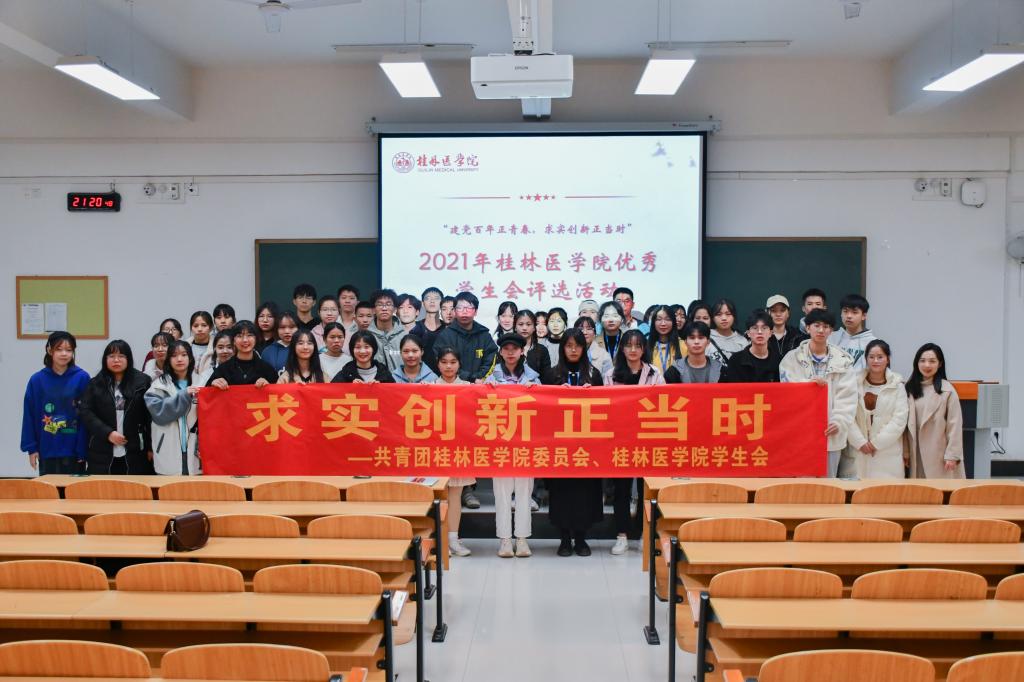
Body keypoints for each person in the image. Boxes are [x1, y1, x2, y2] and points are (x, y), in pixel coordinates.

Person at [542, 329, 604, 557]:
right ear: (562, 348)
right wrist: (557, 396)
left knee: (585, 492)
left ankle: (581, 538)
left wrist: (591, 396)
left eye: (577, 345)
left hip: (587, 444)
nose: (573, 350)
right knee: (562, 492)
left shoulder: (594, 374)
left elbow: (604, 409)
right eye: (569, 346)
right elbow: (542, 409)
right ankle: (564, 538)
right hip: (559, 444)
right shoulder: (551, 375)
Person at [603, 329, 664, 556]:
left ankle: (642, 533)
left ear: (644, 349)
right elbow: (605, 406)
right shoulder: (611, 375)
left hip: (647, 439)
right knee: (621, 491)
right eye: (628, 345)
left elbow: (663, 402)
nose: (633, 350)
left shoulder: (654, 373)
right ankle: (622, 536)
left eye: (638, 345)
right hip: (620, 439)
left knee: (645, 490)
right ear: (622, 348)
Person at [779, 308, 857, 477]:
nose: (821, 330)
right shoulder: (791, 359)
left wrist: (839, 421)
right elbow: (786, 391)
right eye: (817, 325)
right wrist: (809, 385)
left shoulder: (843, 361)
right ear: (808, 328)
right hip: (801, 432)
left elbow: (848, 397)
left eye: (826, 326)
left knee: (828, 484)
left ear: (831, 331)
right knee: (802, 483)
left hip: (831, 434)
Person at [486, 334, 539, 558]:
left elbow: (544, 409)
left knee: (525, 493)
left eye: (514, 348)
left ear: (521, 352)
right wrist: (487, 389)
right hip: (501, 444)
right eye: (506, 348)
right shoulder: (491, 378)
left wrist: (536, 391)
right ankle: (505, 539)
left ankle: (522, 539)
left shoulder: (533, 378)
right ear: (500, 352)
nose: (510, 352)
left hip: (526, 444)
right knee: (502, 493)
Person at [20, 331, 90, 474]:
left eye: (68, 350)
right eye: (59, 349)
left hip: (74, 450)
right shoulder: (37, 380)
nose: (64, 354)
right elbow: (29, 415)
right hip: (47, 447)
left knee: (74, 488)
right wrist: (31, 448)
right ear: (49, 350)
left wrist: (83, 448)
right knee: (49, 488)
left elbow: (87, 415)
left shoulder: (82, 377)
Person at [79, 339, 153, 475]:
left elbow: (149, 417)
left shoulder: (143, 382)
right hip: (102, 449)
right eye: (111, 356)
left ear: (128, 359)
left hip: (135, 449)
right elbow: (86, 412)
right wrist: (108, 433)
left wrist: (150, 447)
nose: (116, 360)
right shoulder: (95, 383)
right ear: (105, 359)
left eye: (121, 356)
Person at [845, 340, 908, 479]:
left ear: (888, 359)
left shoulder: (897, 386)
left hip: (887, 451)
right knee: (858, 489)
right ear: (866, 359)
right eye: (871, 357)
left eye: (880, 357)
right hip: (858, 450)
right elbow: (847, 415)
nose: (875, 361)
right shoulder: (854, 383)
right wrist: (860, 442)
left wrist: (875, 444)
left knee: (885, 490)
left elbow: (899, 420)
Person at [433, 347, 474, 557]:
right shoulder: (428, 387)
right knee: (438, 496)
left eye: (452, 362)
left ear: (459, 364)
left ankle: (453, 539)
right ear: (438, 364)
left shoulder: (468, 388)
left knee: (456, 495)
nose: (448, 366)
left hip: (459, 449)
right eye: (444, 362)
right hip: (434, 450)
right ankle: (438, 540)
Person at [905, 343, 964, 479]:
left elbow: (955, 425)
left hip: (939, 454)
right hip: (915, 453)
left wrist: (952, 455)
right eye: (923, 361)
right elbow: (904, 426)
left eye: (932, 361)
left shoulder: (947, 390)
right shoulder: (909, 388)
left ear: (940, 364)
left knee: (941, 490)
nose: (927, 365)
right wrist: (906, 451)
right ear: (916, 363)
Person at [145, 340, 200, 475]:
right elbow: (159, 414)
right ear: (168, 360)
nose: (179, 359)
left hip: (195, 447)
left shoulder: (202, 382)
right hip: (167, 447)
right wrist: (184, 395)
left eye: (184, 355)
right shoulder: (158, 385)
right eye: (174, 355)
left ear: (190, 358)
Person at [433, 292, 497, 382]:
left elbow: (491, 360)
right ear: (455, 311)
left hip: (480, 384)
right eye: (460, 308)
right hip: (453, 384)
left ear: (476, 311)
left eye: (469, 308)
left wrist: (478, 378)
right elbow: (441, 362)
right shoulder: (445, 336)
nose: (464, 311)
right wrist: (470, 378)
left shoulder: (484, 335)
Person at [207, 321, 278, 388]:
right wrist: (213, 384)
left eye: (249, 335)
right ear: (233, 341)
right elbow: (206, 393)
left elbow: (279, 391)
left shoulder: (267, 369)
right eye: (239, 336)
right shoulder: (223, 369)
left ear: (256, 339)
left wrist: (268, 386)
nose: (245, 340)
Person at [721, 310, 781, 383]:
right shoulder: (736, 360)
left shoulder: (779, 360)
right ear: (748, 333)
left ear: (771, 333)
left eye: (764, 328)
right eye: (755, 328)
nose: (759, 332)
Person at [829, 294, 877, 370]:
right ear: (841, 313)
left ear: (864, 316)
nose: (849, 316)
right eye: (845, 311)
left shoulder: (873, 343)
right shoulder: (831, 338)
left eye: (854, 312)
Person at [368, 289, 407, 373]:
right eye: (380, 304)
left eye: (388, 304)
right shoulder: (367, 336)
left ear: (395, 309)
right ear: (373, 310)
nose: (384, 308)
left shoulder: (405, 336)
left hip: (401, 380)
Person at [708, 298, 749, 365]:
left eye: (728, 314)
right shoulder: (706, 338)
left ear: (734, 316)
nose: (724, 318)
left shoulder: (742, 341)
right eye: (719, 314)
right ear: (712, 317)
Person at [648, 305, 686, 375]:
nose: (663, 323)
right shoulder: (646, 346)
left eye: (668, 319)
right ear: (653, 322)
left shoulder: (683, 345)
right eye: (659, 319)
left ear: (673, 322)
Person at [411, 287, 445, 365]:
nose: (432, 301)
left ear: (442, 303)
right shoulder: (415, 328)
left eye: (436, 298)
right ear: (423, 303)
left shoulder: (448, 329)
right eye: (428, 298)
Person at [514, 309, 551, 377]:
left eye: (528, 324)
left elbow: (547, 377)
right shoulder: (507, 348)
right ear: (515, 327)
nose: (524, 328)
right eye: (521, 324)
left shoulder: (542, 350)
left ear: (534, 327)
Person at [185, 311, 215, 377]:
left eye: (204, 325)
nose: (200, 329)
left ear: (211, 327)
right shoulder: (184, 347)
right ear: (191, 328)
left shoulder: (217, 347)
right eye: (196, 326)